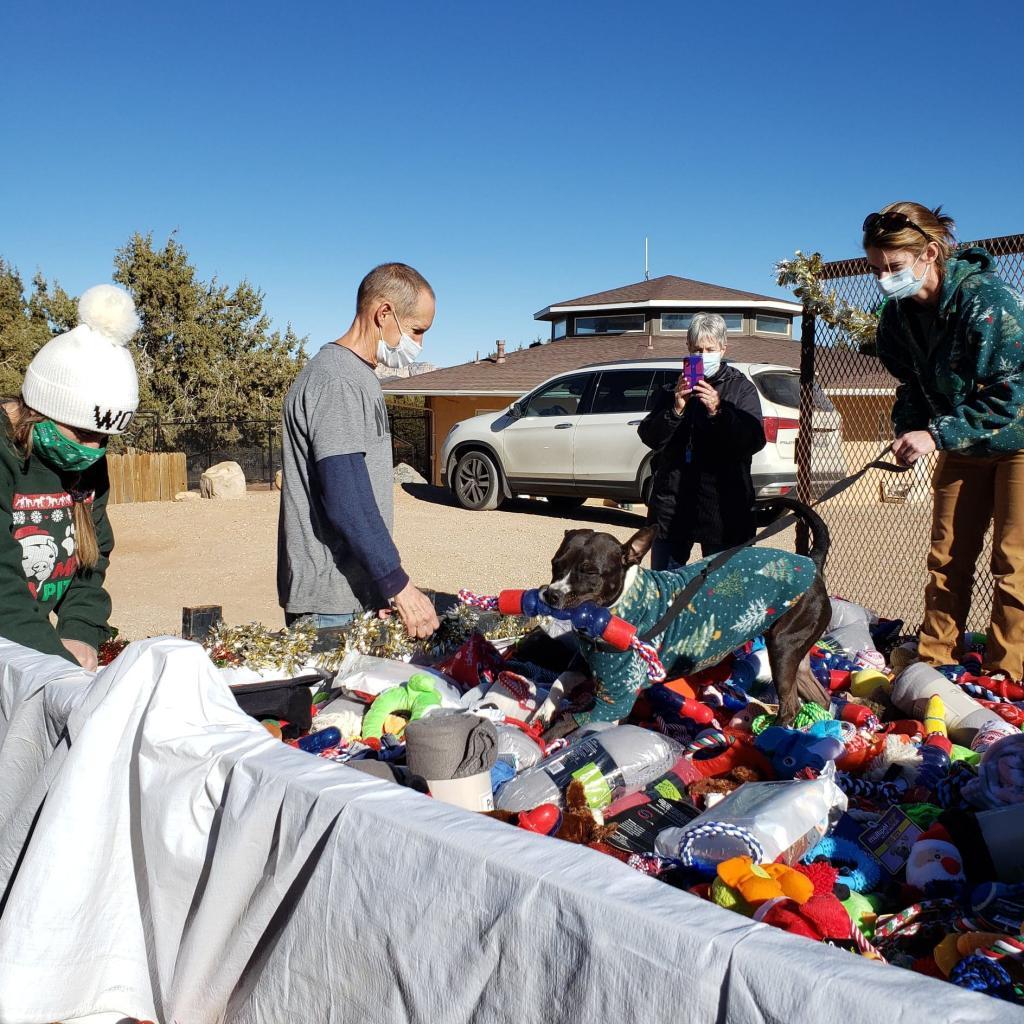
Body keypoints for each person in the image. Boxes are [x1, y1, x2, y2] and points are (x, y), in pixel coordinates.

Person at [864, 201, 1024, 679]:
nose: (883, 279)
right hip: (961, 446)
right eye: (875, 269)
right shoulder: (897, 316)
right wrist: (906, 431)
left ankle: (1007, 672)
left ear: (930, 253)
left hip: (1017, 440)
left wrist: (935, 433)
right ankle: (935, 659)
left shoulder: (987, 299)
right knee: (947, 555)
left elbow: (1013, 393)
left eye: (892, 267)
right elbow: (910, 384)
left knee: (1013, 561)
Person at [277, 262, 440, 638]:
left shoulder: (356, 376)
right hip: (330, 607)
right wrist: (398, 585)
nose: (420, 344)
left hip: (352, 599)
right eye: (417, 330)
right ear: (384, 313)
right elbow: (346, 495)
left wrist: (377, 586)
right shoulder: (337, 381)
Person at [0, 284, 140, 668]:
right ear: (41, 409)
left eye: (103, 439)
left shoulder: (86, 459)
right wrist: (53, 657)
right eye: (80, 434)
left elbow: (90, 563)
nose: (93, 450)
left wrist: (79, 629)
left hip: (26, 653)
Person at [638, 312, 766, 570]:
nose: (703, 354)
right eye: (697, 349)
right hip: (673, 504)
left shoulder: (740, 389)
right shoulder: (672, 390)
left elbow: (753, 440)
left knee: (723, 587)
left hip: (722, 505)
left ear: (722, 349)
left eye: (709, 349)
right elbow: (650, 436)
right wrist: (675, 409)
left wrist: (719, 411)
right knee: (667, 585)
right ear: (687, 348)